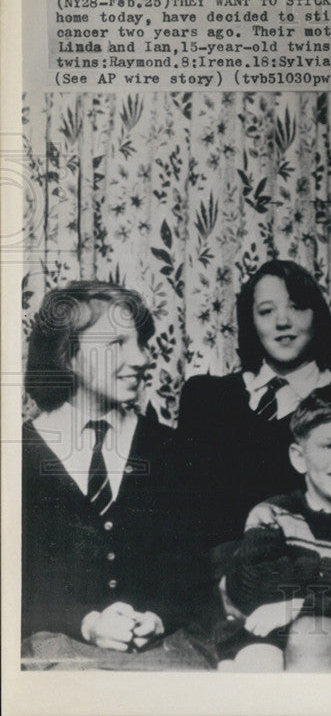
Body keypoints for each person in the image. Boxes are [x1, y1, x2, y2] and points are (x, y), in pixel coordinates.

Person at [22, 281, 214, 669]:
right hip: (57, 648)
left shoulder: (169, 449)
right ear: (66, 355)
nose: (141, 358)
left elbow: (192, 567)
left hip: (162, 652)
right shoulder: (18, 457)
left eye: (140, 343)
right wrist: (86, 623)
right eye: (116, 344)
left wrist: (158, 616)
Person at [176, 259, 331, 568]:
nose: (282, 322)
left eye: (296, 307)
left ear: (316, 315)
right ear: (251, 322)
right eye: (266, 311)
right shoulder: (205, 398)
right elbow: (186, 516)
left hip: (306, 583)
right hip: (214, 585)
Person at [220, 389, 331, 672]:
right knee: (258, 662)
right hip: (267, 639)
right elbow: (249, 582)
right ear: (298, 457)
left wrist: (298, 606)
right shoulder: (272, 514)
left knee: (325, 639)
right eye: (328, 445)